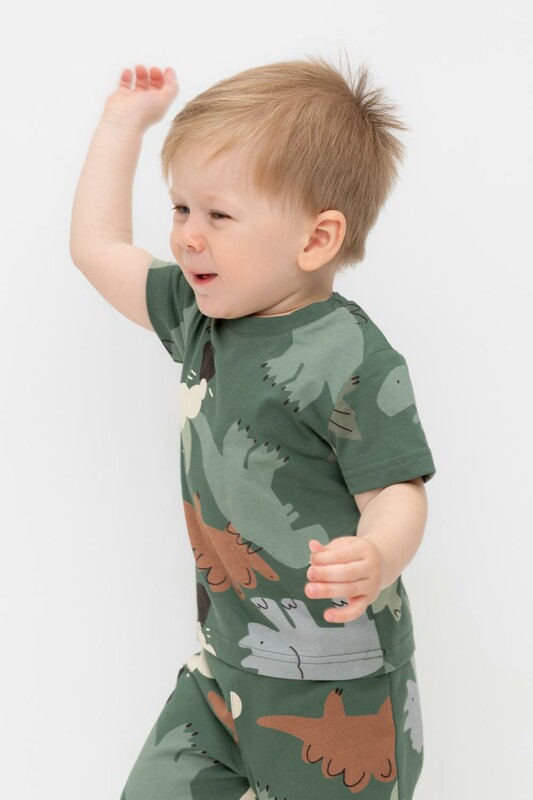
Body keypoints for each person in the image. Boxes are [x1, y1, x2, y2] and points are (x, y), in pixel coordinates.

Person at [70, 55, 437, 800]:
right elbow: (97, 250)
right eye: (180, 209)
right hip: (223, 664)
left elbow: (397, 490)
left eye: (218, 215)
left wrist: (376, 552)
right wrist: (121, 126)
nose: (186, 237)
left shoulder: (352, 357)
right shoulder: (197, 316)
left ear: (315, 239)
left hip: (341, 683)